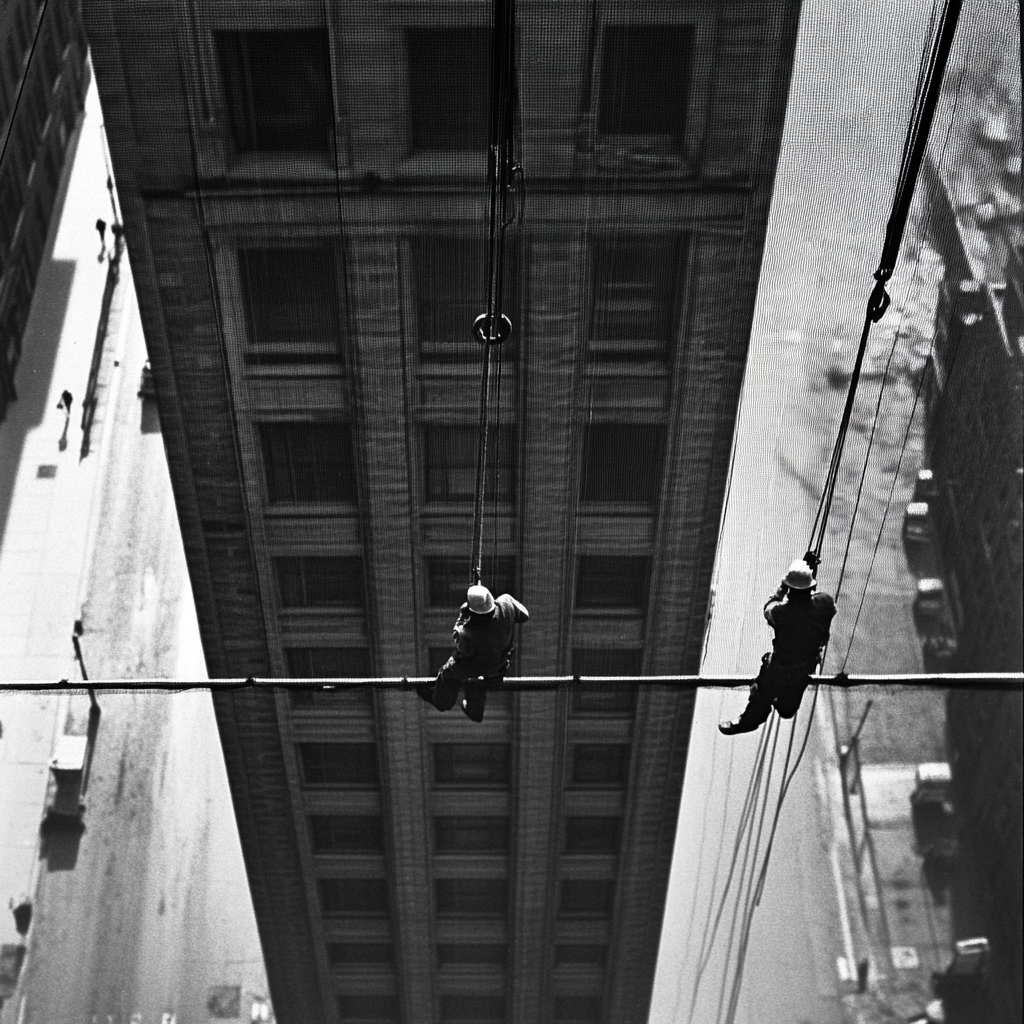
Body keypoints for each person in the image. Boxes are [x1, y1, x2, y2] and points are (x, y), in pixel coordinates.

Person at [719, 553, 836, 735]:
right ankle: (783, 706)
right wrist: (807, 577)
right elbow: (817, 603)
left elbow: (768, 608)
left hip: (781, 666)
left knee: (762, 692)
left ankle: (749, 722)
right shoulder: (826, 604)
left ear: (790, 589)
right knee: (787, 708)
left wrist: (782, 589)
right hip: (806, 666)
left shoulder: (782, 613)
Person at [417, 583, 529, 722]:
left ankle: (442, 703)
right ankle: (474, 710)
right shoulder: (506, 603)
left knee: (448, 673)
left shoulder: (468, 631)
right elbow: (524, 616)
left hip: (479, 666)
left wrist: (462, 616)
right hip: (500, 666)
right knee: (475, 680)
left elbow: (462, 648)